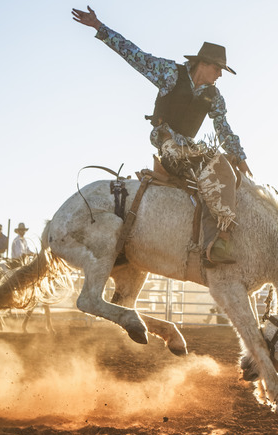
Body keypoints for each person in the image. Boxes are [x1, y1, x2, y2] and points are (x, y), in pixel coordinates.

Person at [72, 6, 250, 266]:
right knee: (181, 148)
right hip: (166, 141)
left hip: (190, 147)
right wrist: (100, 27)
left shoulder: (214, 96)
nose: (221, 74)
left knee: (223, 171)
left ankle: (220, 240)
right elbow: (134, 55)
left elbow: (223, 128)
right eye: (219, 68)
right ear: (204, 64)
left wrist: (241, 157)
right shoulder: (169, 73)